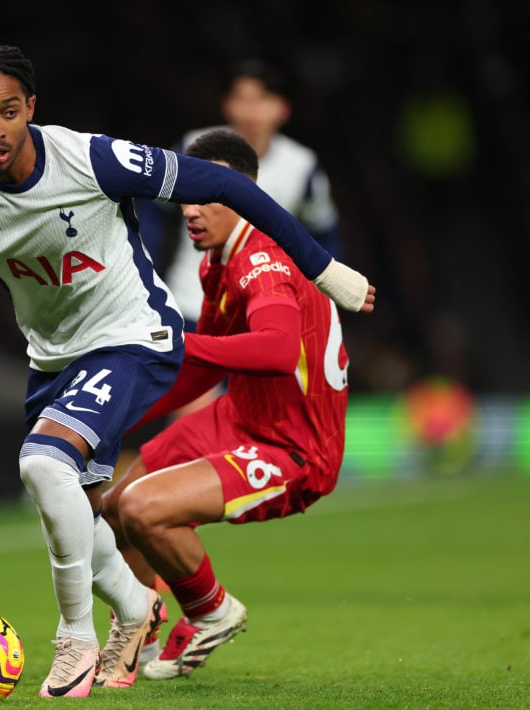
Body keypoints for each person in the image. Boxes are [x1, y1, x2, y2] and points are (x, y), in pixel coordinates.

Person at [0, 46, 374, 698]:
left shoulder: (95, 163)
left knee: (61, 472)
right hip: (59, 357)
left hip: (144, 349)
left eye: (8, 111)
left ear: (31, 109)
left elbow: (239, 232)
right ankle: (145, 607)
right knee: (92, 507)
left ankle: (81, 637)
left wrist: (323, 270)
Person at [102, 128, 353, 680]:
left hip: (295, 447)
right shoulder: (220, 257)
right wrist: (114, 422)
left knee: (144, 508)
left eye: (204, 196)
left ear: (242, 195)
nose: (188, 210)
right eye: (184, 195)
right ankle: (140, 625)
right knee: (117, 506)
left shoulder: (264, 261)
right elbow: (208, 366)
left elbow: (279, 350)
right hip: (240, 415)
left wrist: (175, 341)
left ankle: (210, 609)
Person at [162, 59, 345, 331]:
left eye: (262, 100)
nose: (251, 112)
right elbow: (151, 212)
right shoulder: (191, 149)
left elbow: (324, 234)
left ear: (282, 109)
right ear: (227, 105)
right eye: (242, 99)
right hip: (188, 306)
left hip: (261, 314)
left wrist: (317, 298)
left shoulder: (302, 167)